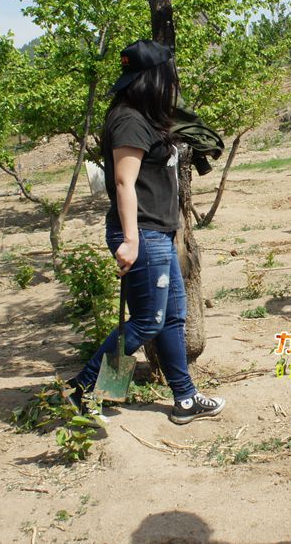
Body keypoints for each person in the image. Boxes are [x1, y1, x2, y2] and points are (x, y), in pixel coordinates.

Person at [68, 40, 225, 425]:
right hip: (143, 235)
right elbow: (123, 183)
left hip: (159, 233)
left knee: (172, 318)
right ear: (154, 78)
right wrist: (131, 239)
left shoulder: (146, 116)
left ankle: (185, 398)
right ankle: (81, 391)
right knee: (146, 321)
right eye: (168, 76)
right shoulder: (128, 120)